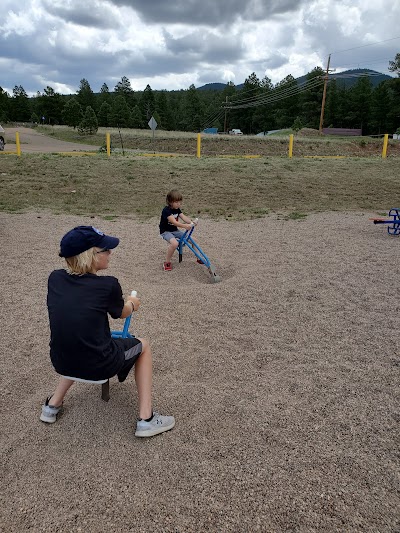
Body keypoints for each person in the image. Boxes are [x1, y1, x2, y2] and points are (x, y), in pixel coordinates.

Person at [40, 225, 175, 438]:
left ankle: (52, 406)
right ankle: (147, 419)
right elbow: (121, 313)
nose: (110, 253)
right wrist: (132, 303)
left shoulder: (54, 278)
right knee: (144, 345)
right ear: (91, 256)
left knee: (76, 339)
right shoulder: (108, 285)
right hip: (100, 364)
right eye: (106, 250)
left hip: (61, 361)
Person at [159, 189, 197, 271]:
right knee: (175, 243)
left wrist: (191, 222)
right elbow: (173, 222)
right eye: (176, 202)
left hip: (175, 231)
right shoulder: (166, 210)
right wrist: (185, 226)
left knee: (194, 240)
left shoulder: (177, 209)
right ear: (170, 202)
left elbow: (183, 217)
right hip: (166, 231)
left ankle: (198, 258)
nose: (179, 204)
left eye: (180, 202)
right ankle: (167, 262)